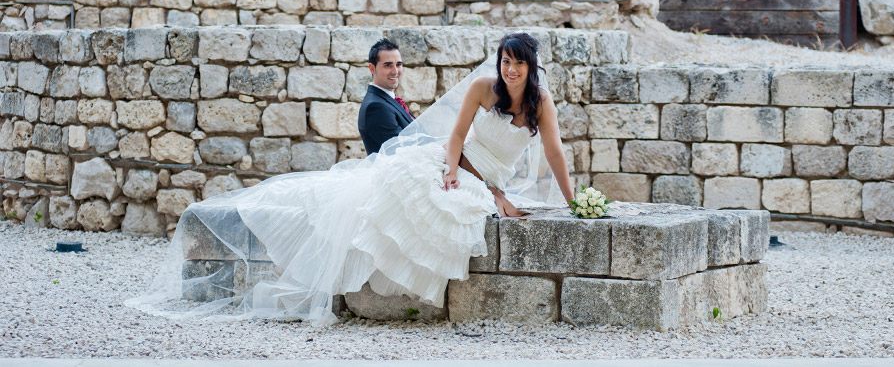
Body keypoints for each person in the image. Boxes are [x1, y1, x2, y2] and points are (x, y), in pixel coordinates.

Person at [127, 32, 574, 326]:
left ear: (531, 67)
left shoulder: (542, 103)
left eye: (518, 63)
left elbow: (554, 152)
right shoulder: (483, 88)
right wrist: (456, 173)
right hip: (455, 164)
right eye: (505, 62)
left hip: (489, 179)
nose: (510, 70)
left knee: (459, 213)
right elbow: (457, 135)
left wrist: (572, 201)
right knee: (399, 201)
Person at [358, 39, 414, 155]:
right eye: (388, 65)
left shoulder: (388, 100)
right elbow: (403, 151)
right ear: (372, 69)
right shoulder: (376, 107)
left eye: (398, 64)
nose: (395, 71)